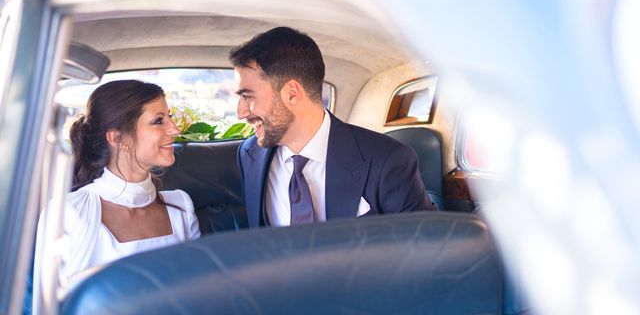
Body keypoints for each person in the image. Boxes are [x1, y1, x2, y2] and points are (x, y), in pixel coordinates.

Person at [230, 26, 435, 228]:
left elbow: (423, 246)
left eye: (248, 96)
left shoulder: (388, 160)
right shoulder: (249, 155)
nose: (241, 113)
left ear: (292, 93)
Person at [33, 80, 200, 313]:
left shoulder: (181, 206)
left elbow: (199, 295)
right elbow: (46, 307)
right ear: (117, 139)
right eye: (158, 121)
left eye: (169, 117)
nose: (174, 129)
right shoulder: (69, 213)